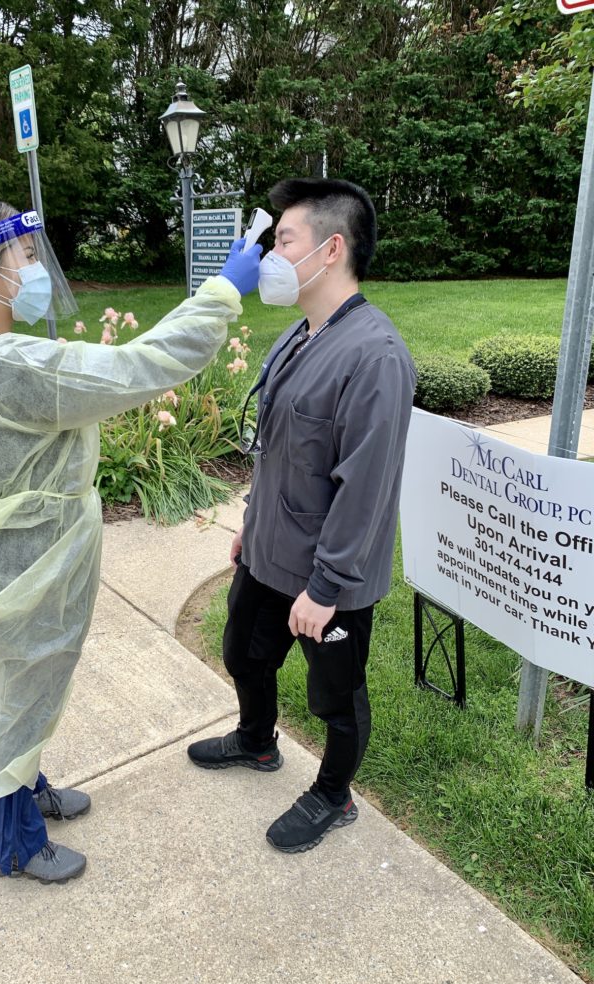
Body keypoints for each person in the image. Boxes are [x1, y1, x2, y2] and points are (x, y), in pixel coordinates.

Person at [0, 197, 261, 883]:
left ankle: (31, 787)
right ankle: (16, 845)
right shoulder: (11, 365)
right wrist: (222, 291)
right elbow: (141, 368)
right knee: (19, 698)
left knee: (29, 682)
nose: (33, 267)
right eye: (23, 255)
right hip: (30, 557)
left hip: (14, 551)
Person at [187, 178, 416, 854]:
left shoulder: (376, 357)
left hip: (328, 573)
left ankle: (333, 795)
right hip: (268, 548)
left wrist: (327, 587)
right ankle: (258, 742)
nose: (270, 254)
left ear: (331, 248)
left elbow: (367, 489)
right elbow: (279, 447)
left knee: (334, 698)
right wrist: (251, 524)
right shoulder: (298, 334)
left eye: (283, 239)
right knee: (242, 654)